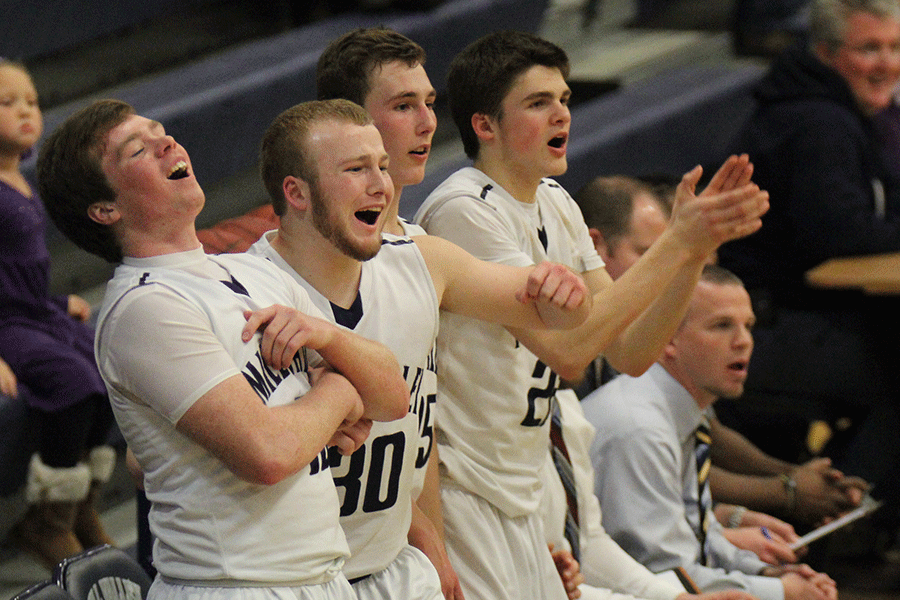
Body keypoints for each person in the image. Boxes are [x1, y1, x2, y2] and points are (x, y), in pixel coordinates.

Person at [413, 30, 770, 600]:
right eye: (538, 103)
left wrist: (694, 254)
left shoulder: (556, 200)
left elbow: (628, 351)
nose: (562, 115)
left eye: (564, 100)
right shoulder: (464, 210)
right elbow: (569, 351)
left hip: (531, 482)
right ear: (485, 125)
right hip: (470, 488)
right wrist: (676, 242)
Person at [37, 98, 411, 598]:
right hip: (233, 585)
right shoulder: (143, 308)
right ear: (106, 209)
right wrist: (340, 393)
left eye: (160, 131)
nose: (166, 143)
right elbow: (269, 454)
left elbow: (391, 397)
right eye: (138, 150)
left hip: (320, 577)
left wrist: (328, 338)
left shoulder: (251, 270)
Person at [251, 99, 589, 600]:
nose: (380, 185)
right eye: (356, 169)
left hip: (393, 567)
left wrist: (566, 292)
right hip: (296, 580)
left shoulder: (423, 262)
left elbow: (561, 320)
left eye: (382, 167)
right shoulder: (245, 293)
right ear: (296, 193)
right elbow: (153, 463)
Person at [574, 174, 868, 530]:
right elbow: (663, 464)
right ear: (596, 248)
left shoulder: (644, 329)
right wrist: (786, 490)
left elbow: (702, 435)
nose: (670, 271)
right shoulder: (575, 345)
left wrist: (789, 477)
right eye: (650, 254)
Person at [717, 0, 900, 536]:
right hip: (761, 327)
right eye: (869, 48)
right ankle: (835, 527)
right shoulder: (817, 122)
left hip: (797, 313)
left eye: (893, 48)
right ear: (825, 54)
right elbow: (839, 235)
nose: (885, 64)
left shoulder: (843, 114)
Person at [584, 265, 839, 600]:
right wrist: (781, 592)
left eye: (748, 326)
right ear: (667, 339)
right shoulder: (642, 430)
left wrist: (766, 571)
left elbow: (694, 532)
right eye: (722, 326)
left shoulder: (679, 411)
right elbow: (663, 572)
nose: (744, 341)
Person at [0, 58, 117, 569]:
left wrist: (52, 304)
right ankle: (45, 522)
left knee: (106, 368)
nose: (26, 109)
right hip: (5, 329)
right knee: (71, 383)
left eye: (31, 100)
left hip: (30, 314)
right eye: (7, 102)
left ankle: (79, 507)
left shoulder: (19, 180)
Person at [316, 26, 436, 237]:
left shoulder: (419, 239)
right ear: (348, 117)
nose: (428, 124)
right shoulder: (317, 249)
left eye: (430, 104)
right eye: (403, 106)